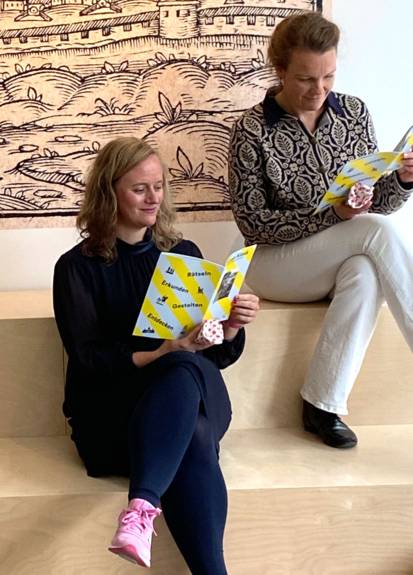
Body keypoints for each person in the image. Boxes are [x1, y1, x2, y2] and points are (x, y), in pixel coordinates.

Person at [53, 137, 259, 572]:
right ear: (109, 192)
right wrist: (163, 352)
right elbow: (88, 359)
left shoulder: (183, 254)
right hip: (113, 418)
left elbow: (215, 355)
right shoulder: (76, 267)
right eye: (139, 188)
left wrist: (231, 326)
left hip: (183, 397)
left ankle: (140, 510)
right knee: (194, 430)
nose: (153, 198)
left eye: (159, 186)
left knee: (186, 368)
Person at [228, 11, 413, 449]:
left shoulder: (353, 113)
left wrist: (403, 180)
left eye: (328, 76)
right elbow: (252, 223)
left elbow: (377, 203)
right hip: (272, 262)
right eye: (306, 79)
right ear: (280, 71)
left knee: (366, 271)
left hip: (335, 256)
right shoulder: (251, 129)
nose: (320, 90)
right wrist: (333, 216)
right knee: (372, 233)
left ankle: (322, 403)